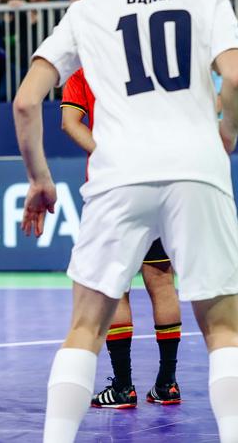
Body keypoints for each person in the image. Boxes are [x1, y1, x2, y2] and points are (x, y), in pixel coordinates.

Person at [12, 0, 238, 442]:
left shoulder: (90, 6)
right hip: (196, 167)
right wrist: (226, 135)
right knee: (223, 331)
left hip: (118, 172)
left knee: (84, 327)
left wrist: (40, 179)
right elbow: (237, 77)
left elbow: (26, 102)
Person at [60, 68, 183, 409]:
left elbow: (70, 123)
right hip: (159, 181)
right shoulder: (149, 64)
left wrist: (107, 154)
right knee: (162, 281)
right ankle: (168, 384)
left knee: (115, 288)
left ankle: (123, 387)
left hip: (112, 188)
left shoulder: (84, 72)